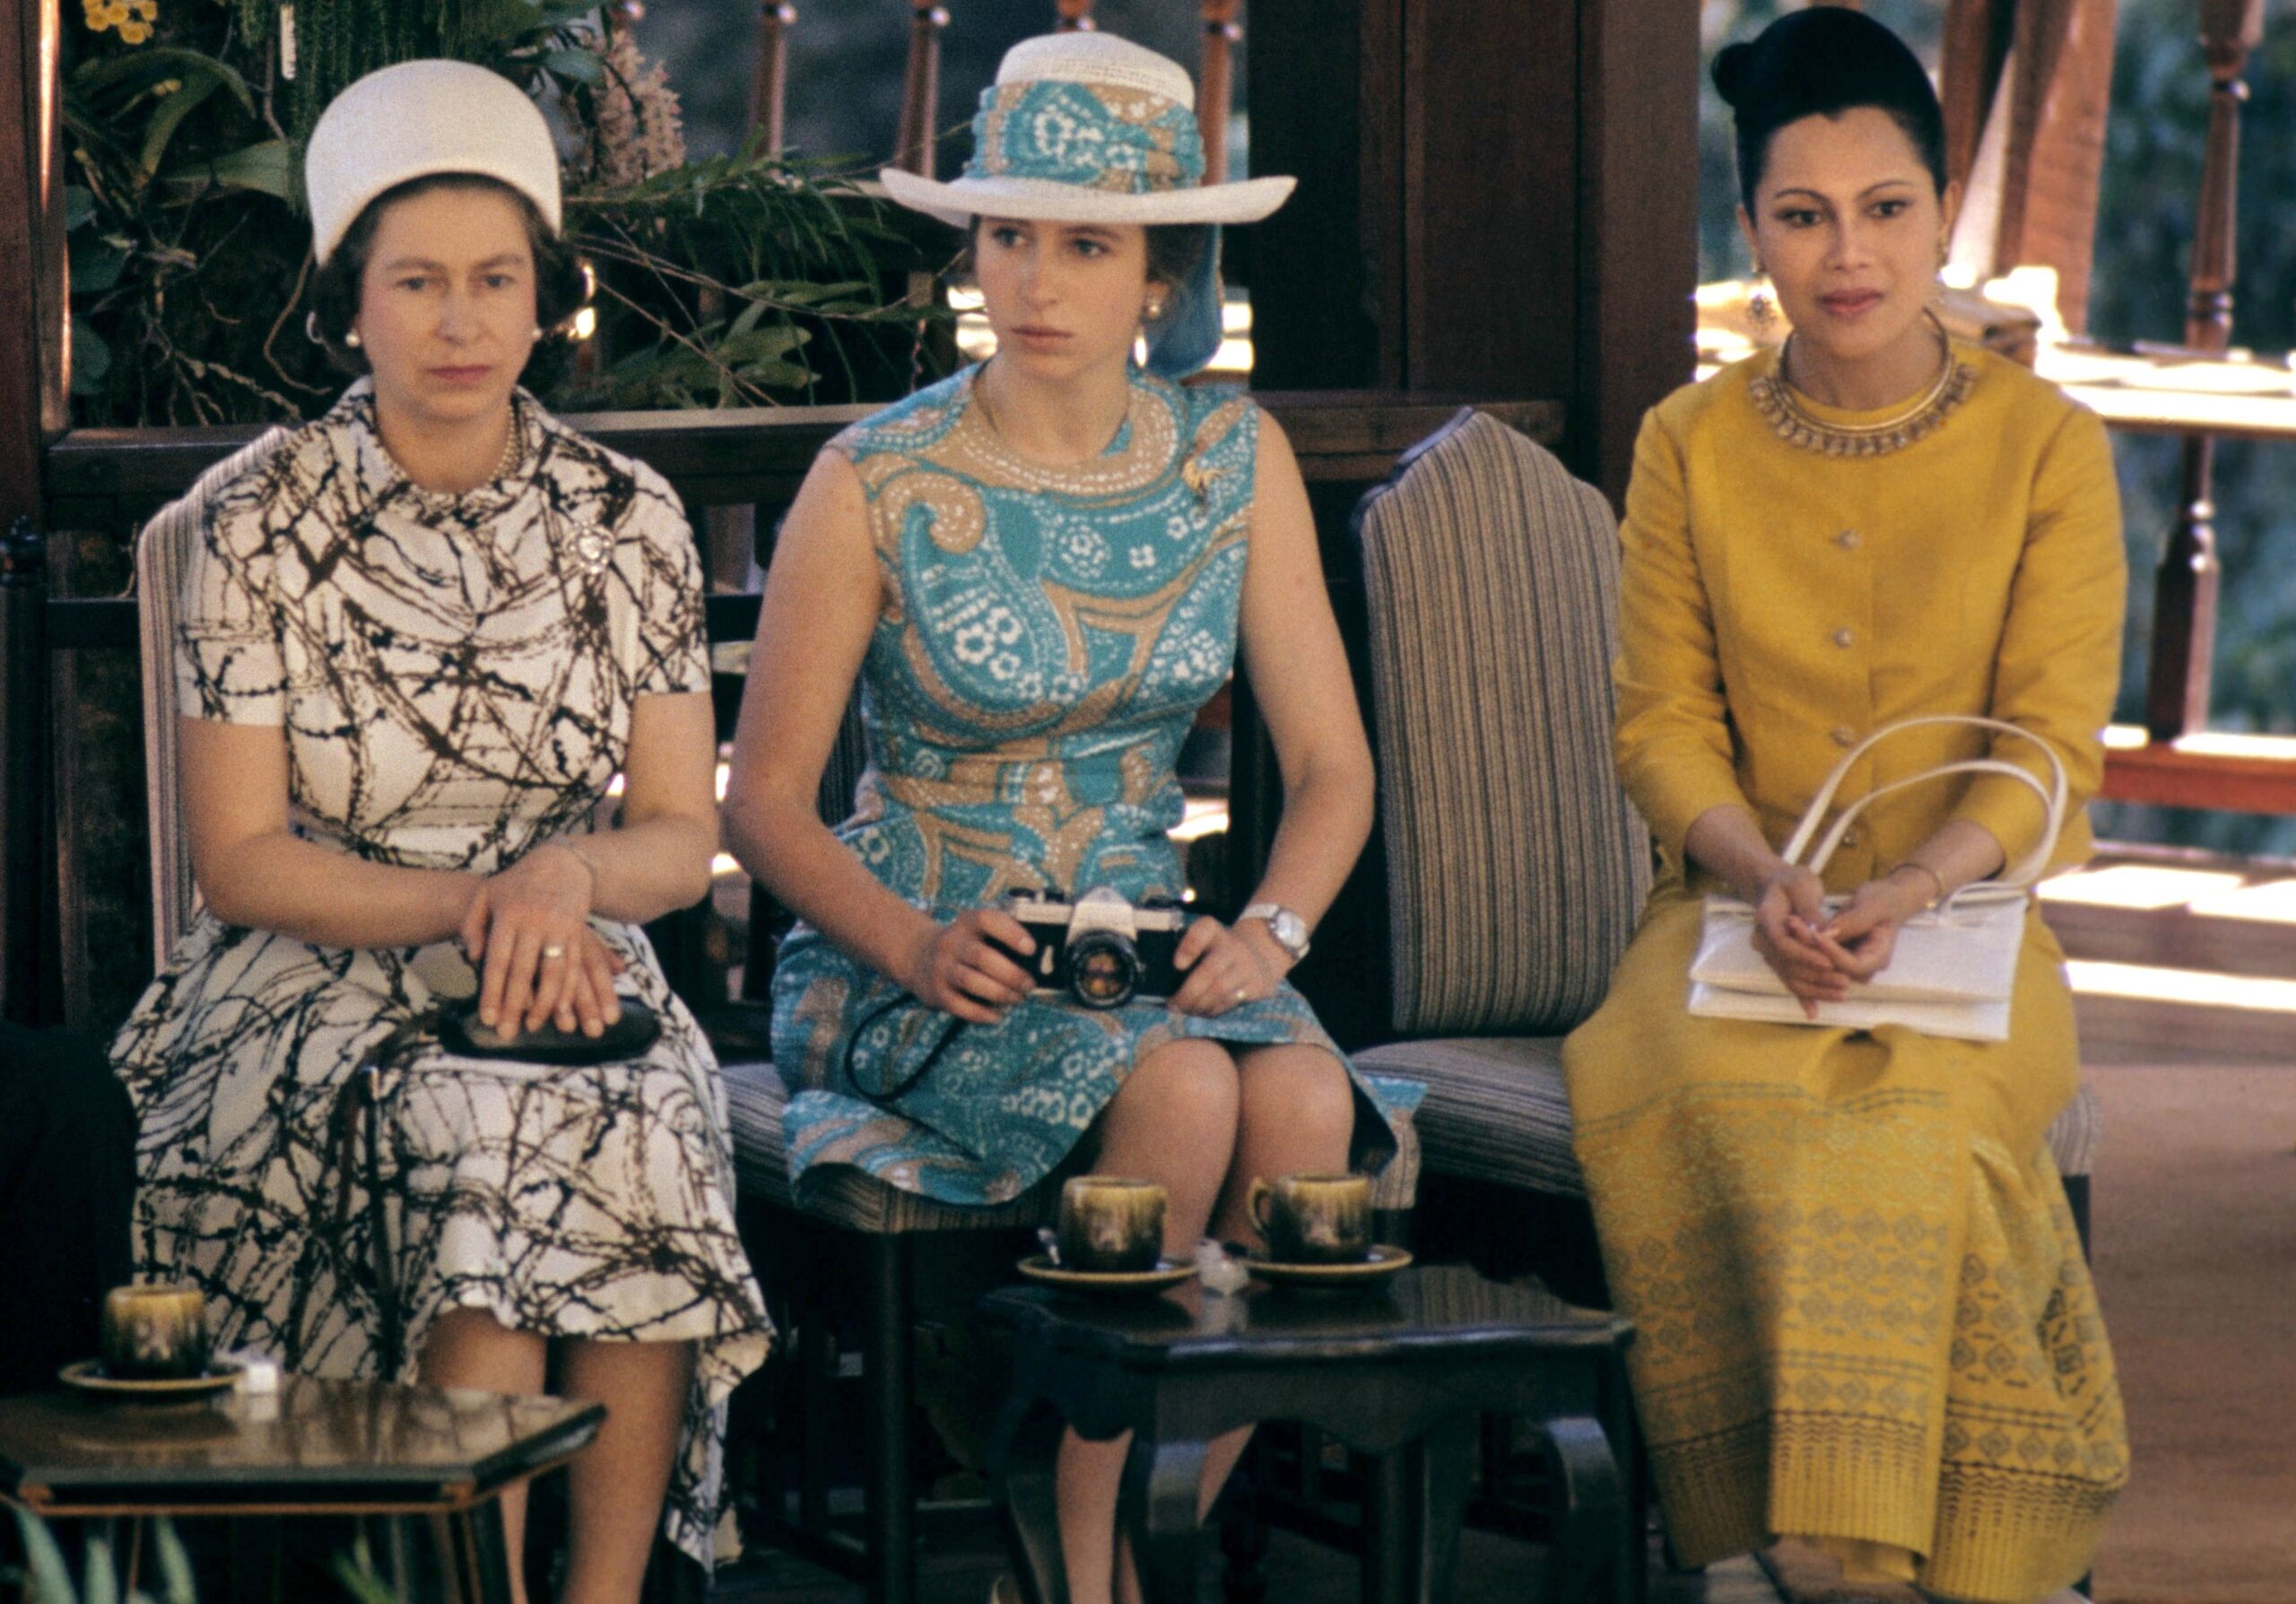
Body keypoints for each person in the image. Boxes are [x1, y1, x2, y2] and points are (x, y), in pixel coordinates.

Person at [721, 31, 1413, 1604]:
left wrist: (1272, 932)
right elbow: (762, 804)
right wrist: (910, 944)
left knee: (1308, 1109)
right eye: (1008, 234)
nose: (1033, 281)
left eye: (1087, 245)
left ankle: (1096, 1539)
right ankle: (1085, 1581)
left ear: (1161, 276)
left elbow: (1335, 768)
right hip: (924, 953)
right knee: (1186, 1090)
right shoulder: (875, 476)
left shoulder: (1232, 459)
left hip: (1144, 942)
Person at [107, 61, 770, 1604]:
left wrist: (563, 882)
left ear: (547, 299)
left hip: (575, 956)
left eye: (495, 280)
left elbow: (680, 835)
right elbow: (242, 862)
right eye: (416, 282)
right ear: (349, 304)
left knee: (644, 1118)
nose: (460, 321)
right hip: (309, 968)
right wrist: (497, 908)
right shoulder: (254, 520)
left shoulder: (630, 517)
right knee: (486, 1141)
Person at [1562, 13, 2129, 1603]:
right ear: (1751, 231)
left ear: (1943, 215)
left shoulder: (2051, 450)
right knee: (1705, 1091)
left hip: (1972, 927)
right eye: (1803, 215)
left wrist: (1915, 888)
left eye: (1886, 208)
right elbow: (1661, 724)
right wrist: (1762, 878)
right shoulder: (1686, 443)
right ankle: (1756, 1535)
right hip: (1730, 919)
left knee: (1915, 1126)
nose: (1849, 254)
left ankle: (1893, 1549)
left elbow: (2051, 743)